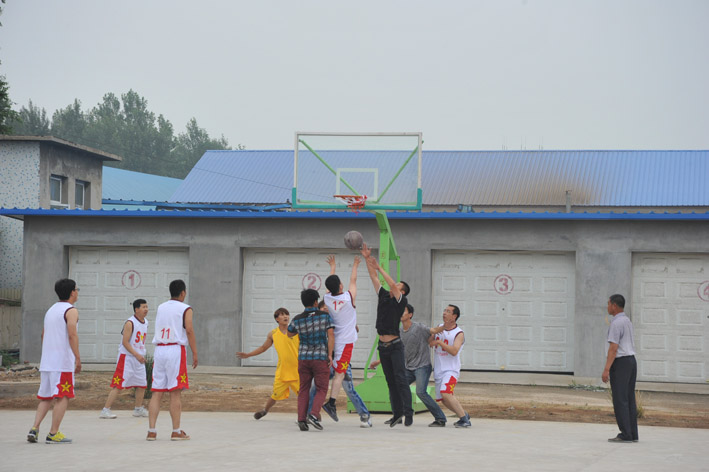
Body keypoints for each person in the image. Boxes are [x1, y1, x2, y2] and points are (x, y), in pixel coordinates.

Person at [360, 243, 412, 427]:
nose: (394, 285)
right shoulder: (383, 295)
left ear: (402, 292)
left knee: (401, 380)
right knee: (390, 382)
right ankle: (397, 414)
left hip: (395, 346)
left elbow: (389, 283)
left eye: (398, 285)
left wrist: (380, 268)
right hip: (383, 347)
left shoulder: (401, 301)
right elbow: (373, 277)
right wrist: (367, 258)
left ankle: (408, 412)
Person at [370, 304, 447, 427]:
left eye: (403, 311)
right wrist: (378, 361)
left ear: (410, 315)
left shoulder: (419, 327)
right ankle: (398, 415)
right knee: (395, 388)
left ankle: (440, 418)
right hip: (408, 367)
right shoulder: (398, 332)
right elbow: (396, 350)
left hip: (422, 366)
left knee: (421, 392)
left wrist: (445, 326)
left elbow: (433, 331)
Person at [27, 278, 81, 444]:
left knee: (46, 397)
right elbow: (72, 334)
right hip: (62, 363)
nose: (77, 292)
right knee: (63, 397)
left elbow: (43, 334)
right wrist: (77, 357)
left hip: (47, 363)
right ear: (72, 292)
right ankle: (53, 433)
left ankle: (34, 428)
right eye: (77, 289)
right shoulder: (71, 310)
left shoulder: (51, 310)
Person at [146, 279, 198, 441]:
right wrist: (195, 352)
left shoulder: (161, 307)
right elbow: (189, 330)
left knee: (157, 392)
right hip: (175, 350)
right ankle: (176, 431)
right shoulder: (186, 308)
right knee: (175, 393)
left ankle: (151, 431)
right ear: (183, 293)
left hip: (160, 349)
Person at [308, 300, 372, 428]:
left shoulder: (339, 321)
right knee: (314, 387)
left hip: (341, 361)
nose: (326, 309)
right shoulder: (318, 323)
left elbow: (355, 328)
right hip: (326, 362)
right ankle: (308, 415)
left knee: (349, 389)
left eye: (328, 308)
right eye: (323, 308)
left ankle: (364, 415)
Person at [237, 308, 299, 420]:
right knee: (275, 394)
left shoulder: (296, 331)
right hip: (283, 372)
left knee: (304, 396)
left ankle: (309, 415)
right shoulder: (273, 334)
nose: (285, 317)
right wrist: (248, 355)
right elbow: (263, 347)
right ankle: (265, 410)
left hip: (298, 371)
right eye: (282, 315)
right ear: (277, 319)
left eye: (287, 314)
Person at [320, 254, 360, 422]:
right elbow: (353, 280)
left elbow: (331, 285)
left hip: (336, 340)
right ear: (341, 285)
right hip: (346, 343)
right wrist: (355, 264)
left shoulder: (327, 298)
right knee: (340, 375)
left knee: (338, 372)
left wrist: (333, 267)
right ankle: (331, 403)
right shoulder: (348, 297)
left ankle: (324, 404)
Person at [287, 288, 334, 431]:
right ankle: (313, 414)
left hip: (303, 358)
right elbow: (331, 335)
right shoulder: (325, 316)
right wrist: (330, 355)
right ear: (315, 302)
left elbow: (289, 333)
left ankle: (301, 418)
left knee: (303, 389)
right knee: (322, 388)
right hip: (320, 357)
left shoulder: (297, 319)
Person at [100, 298, 150, 419]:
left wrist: (140, 355)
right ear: (136, 309)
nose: (146, 309)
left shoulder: (146, 322)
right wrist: (137, 354)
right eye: (143, 307)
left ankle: (138, 409)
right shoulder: (130, 323)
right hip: (127, 358)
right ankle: (105, 410)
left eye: (147, 307)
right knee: (118, 384)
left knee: (142, 384)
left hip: (139, 358)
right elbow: (125, 342)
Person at [602, 294, 638, 443]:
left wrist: (606, 369)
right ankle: (633, 433)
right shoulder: (627, 321)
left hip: (621, 363)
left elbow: (614, 348)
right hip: (631, 361)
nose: (607, 306)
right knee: (629, 398)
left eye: (608, 304)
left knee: (620, 399)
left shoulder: (616, 323)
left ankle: (625, 434)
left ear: (614, 306)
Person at [431, 304, 471, 428]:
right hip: (439, 369)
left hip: (451, 370)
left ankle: (464, 420)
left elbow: (454, 351)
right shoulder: (439, 327)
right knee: (443, 399)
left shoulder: (459, 333)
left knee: (446, 393)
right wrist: (433, 335)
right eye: (444, 310)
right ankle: (464, 414)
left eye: (448, 311)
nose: (444, 313)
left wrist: (439, 342)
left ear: (454, 316)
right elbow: (430, 342)